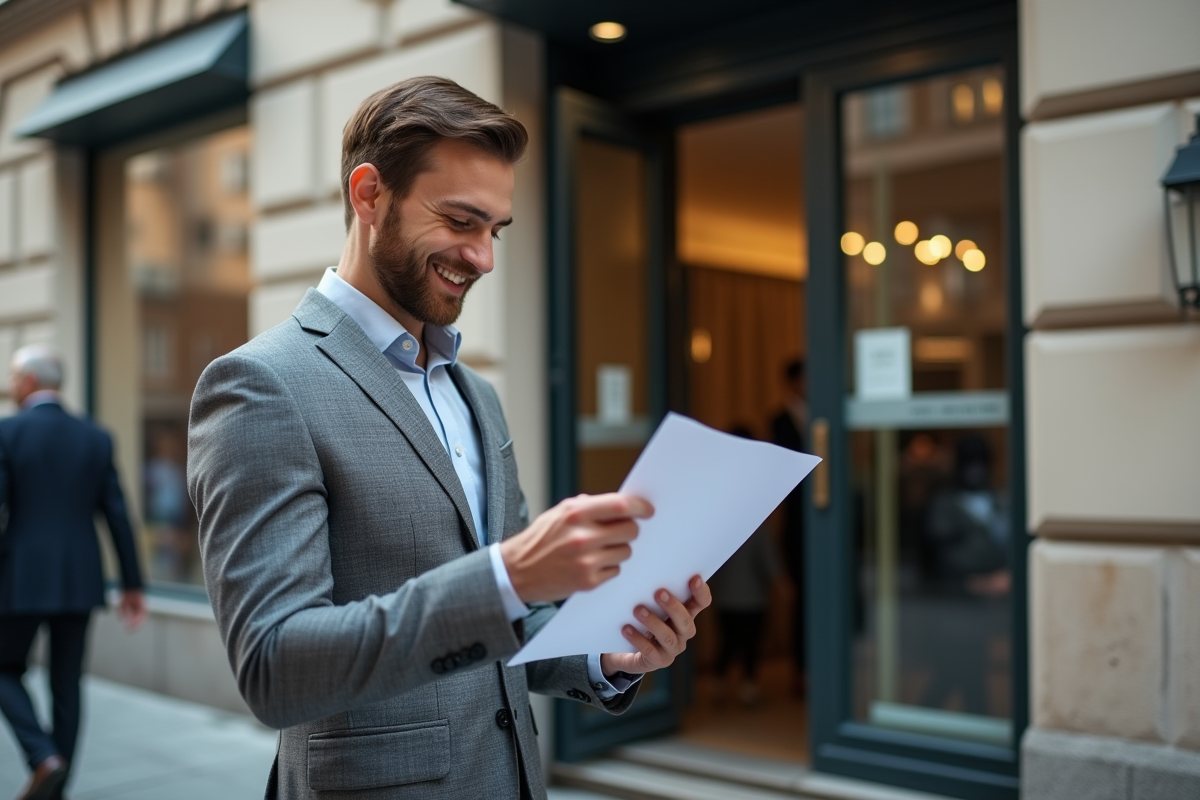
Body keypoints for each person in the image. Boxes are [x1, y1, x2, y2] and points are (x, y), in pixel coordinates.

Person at [187, 76, 711, 800]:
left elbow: (508, 627)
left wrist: (604, 658)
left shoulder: (477, 396)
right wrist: (512, 574)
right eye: (461, 221)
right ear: (369, 195)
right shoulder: (260, 385)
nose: (483, 258)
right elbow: (276, 669)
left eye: (495, 230)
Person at [0, 345, 146, 800]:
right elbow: (118, 515)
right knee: (67, 684)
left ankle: (44, 758)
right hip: (80, 579)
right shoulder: (94, 436)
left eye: (12, 378)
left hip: (20, 575)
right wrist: (133, 583)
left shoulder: (7, 432)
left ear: (26, 382)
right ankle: (56, 784)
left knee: (3, 667)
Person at [710, 427, 781, 706]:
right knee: (748, 641)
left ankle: (719, 683)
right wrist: (780, 581)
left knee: (728, 640)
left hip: (725, 592)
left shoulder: (718, 503)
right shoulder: (755, 506)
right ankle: (746, 685)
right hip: (751, 594)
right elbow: (765, 551)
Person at [769, 358, 808, 694]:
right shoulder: (779, 421)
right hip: (796, 522)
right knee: (801, 597)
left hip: (823, 518)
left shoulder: (824, 413)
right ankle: (800, 671)